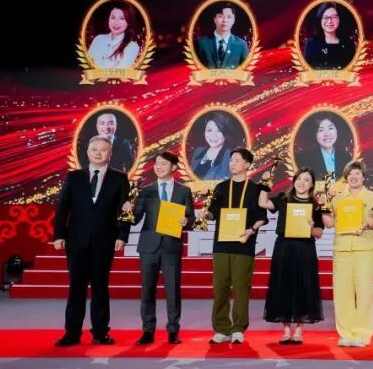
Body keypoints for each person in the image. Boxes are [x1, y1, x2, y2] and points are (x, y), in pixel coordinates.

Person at [52, 136, 131, 347]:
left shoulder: (119, 178)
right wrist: (59, 235)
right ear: (87, 152)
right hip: (76, 241)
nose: (98, 153)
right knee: (75, 288)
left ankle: (100, 332)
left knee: (100, 287)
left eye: (103, 150)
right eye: (94, 149)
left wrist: (122, 236)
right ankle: (72, 333)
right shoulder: (74, 177)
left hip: (105, 241)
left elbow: (125, 212)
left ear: (110, 153)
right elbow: (62, 209)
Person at [200, 148, 268, 344]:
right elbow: (212, 213)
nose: (232, 163)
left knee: (241, 287)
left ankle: (238, 328)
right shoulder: (221, 188)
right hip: (221, 244)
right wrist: (206, 214)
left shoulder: (255, 189)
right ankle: (221, 328)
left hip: (244, 244)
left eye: (237, 160)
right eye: (231, 160)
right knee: (220, 287)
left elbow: (261, 217)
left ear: (247, 164)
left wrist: (251, 230)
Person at [127, 151, 194, 345]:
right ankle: (148, 330)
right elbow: (135, 219)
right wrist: (128, 211)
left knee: (173, 290)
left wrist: (186, 221)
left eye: (163, 164)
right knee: (147, 290)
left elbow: (190, 217)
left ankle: (173, 330)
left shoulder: (183, 191)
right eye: (156, 163)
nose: (159, 167)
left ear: (174, 167)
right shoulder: (146, 190)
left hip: (171, 246)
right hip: (149, 246)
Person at [323, 161, 373, 347]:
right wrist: (322, 206)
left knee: (365, 293)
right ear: (346, 178)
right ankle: (346, 333)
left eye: (357, 173)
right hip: (342, 250)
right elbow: (329, 223)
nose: (354, 177)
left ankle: (362, 334)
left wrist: (366, 224)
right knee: (342, 294)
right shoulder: (336, 198)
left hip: (364, 250)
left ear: (363, 177)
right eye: (350, 174)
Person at [259, 168, 324, 344]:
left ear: (312, 184)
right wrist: (264, 184)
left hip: (305, 249)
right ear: (294, 181)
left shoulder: (316, 204)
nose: (302, 182)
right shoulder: (283, 198)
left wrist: (311, 227)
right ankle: (286, 330)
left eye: (307, 180)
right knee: (284, 286)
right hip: (284, 248)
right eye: (299, 179)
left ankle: (299, 330)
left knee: (304, 287)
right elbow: (263, 203)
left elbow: (319, 233)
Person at [302, 2, 357, 70]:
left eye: (333, 17)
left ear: (339, 19)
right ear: (320, 20)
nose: (329, 21)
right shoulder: (311, 44)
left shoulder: (349, 44)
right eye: (325, 17)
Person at [296, 114, 351, 179]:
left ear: (337, 130)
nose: (327, 134)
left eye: (330, 128)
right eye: (321, 130)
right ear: (314, 134)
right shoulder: (304, 159)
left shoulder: (346, 158)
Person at [195, 5, 250, 70]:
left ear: (233, 20)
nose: (225, 20)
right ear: (214, 19)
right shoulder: (201, 43)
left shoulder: (241, 44)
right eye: (220, 16)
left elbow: (246, 69)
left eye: (229, 17)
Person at [87, 4, 141, 69]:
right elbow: (88, 66)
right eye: (113, 17)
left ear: (129, 22)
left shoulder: (132, 47)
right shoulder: (98, 39)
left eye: (122, 18)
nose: (116, 22)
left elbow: (121, 72)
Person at [191, 112, 241, 181]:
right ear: (204, 132)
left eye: (219, 131)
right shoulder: (198, 151)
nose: (213, 135)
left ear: (226, 133)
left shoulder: (231, 159)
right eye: (209, 130)